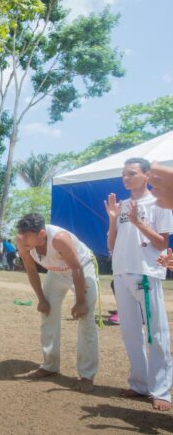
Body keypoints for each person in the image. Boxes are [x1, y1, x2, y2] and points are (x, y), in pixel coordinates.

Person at [105, 157, 173, 411]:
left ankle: (162, 391)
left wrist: (139, 223)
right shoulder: (122, 206)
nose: (126, 177)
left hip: (145, 273)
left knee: (156, 333)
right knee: (130, 332)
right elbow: (111, 246)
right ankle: (140, 384)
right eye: (124, 173)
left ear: (146, 175)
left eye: (132, 173)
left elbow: (162, 244)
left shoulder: (160, 203)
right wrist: (113, 219)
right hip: (121, 272)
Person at [15, 213, 99, 392]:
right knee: (47, 313)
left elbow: (76, 267)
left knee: (86, 318)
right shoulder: (22, 241)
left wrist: (81, 302)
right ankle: (50, 365)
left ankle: (86, 375)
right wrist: (41, 299)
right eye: (21, 234)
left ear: (42, 234)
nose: (23, 239)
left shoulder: (59, 239)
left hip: (82, 268)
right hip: (56, 272)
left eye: (28, 235)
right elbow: (30, 269)